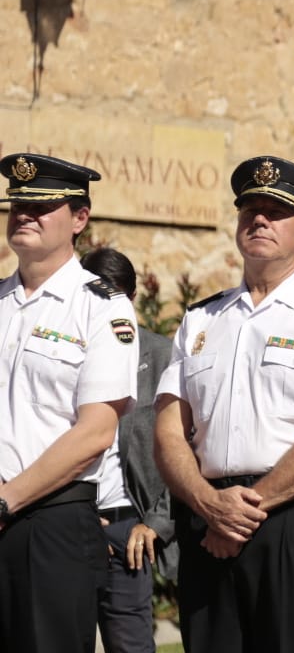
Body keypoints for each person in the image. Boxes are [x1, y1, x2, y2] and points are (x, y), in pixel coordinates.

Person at [154, 156, 294, 653]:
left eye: (276, 212)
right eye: (250, 210)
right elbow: (168, 431)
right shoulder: (202, 319)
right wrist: (209, 504)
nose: (260, 220)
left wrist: (244, 512)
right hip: (207, 512)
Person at [0, 154, 138, 653]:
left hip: (50, 523)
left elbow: (95, 432)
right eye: (18, 204)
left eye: (41, 206)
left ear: (80, 218)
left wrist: (6, 500)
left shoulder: (101, 307)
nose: (25, 215)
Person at [80, 247, 177, 653]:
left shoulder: (163, 356)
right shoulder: (65, 352)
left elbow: (186, 448)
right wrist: (78, 519)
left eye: (115, 297)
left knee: (130, 645)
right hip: (67, 522)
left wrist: (156, 522)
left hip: (128, 530)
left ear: (132, 299)